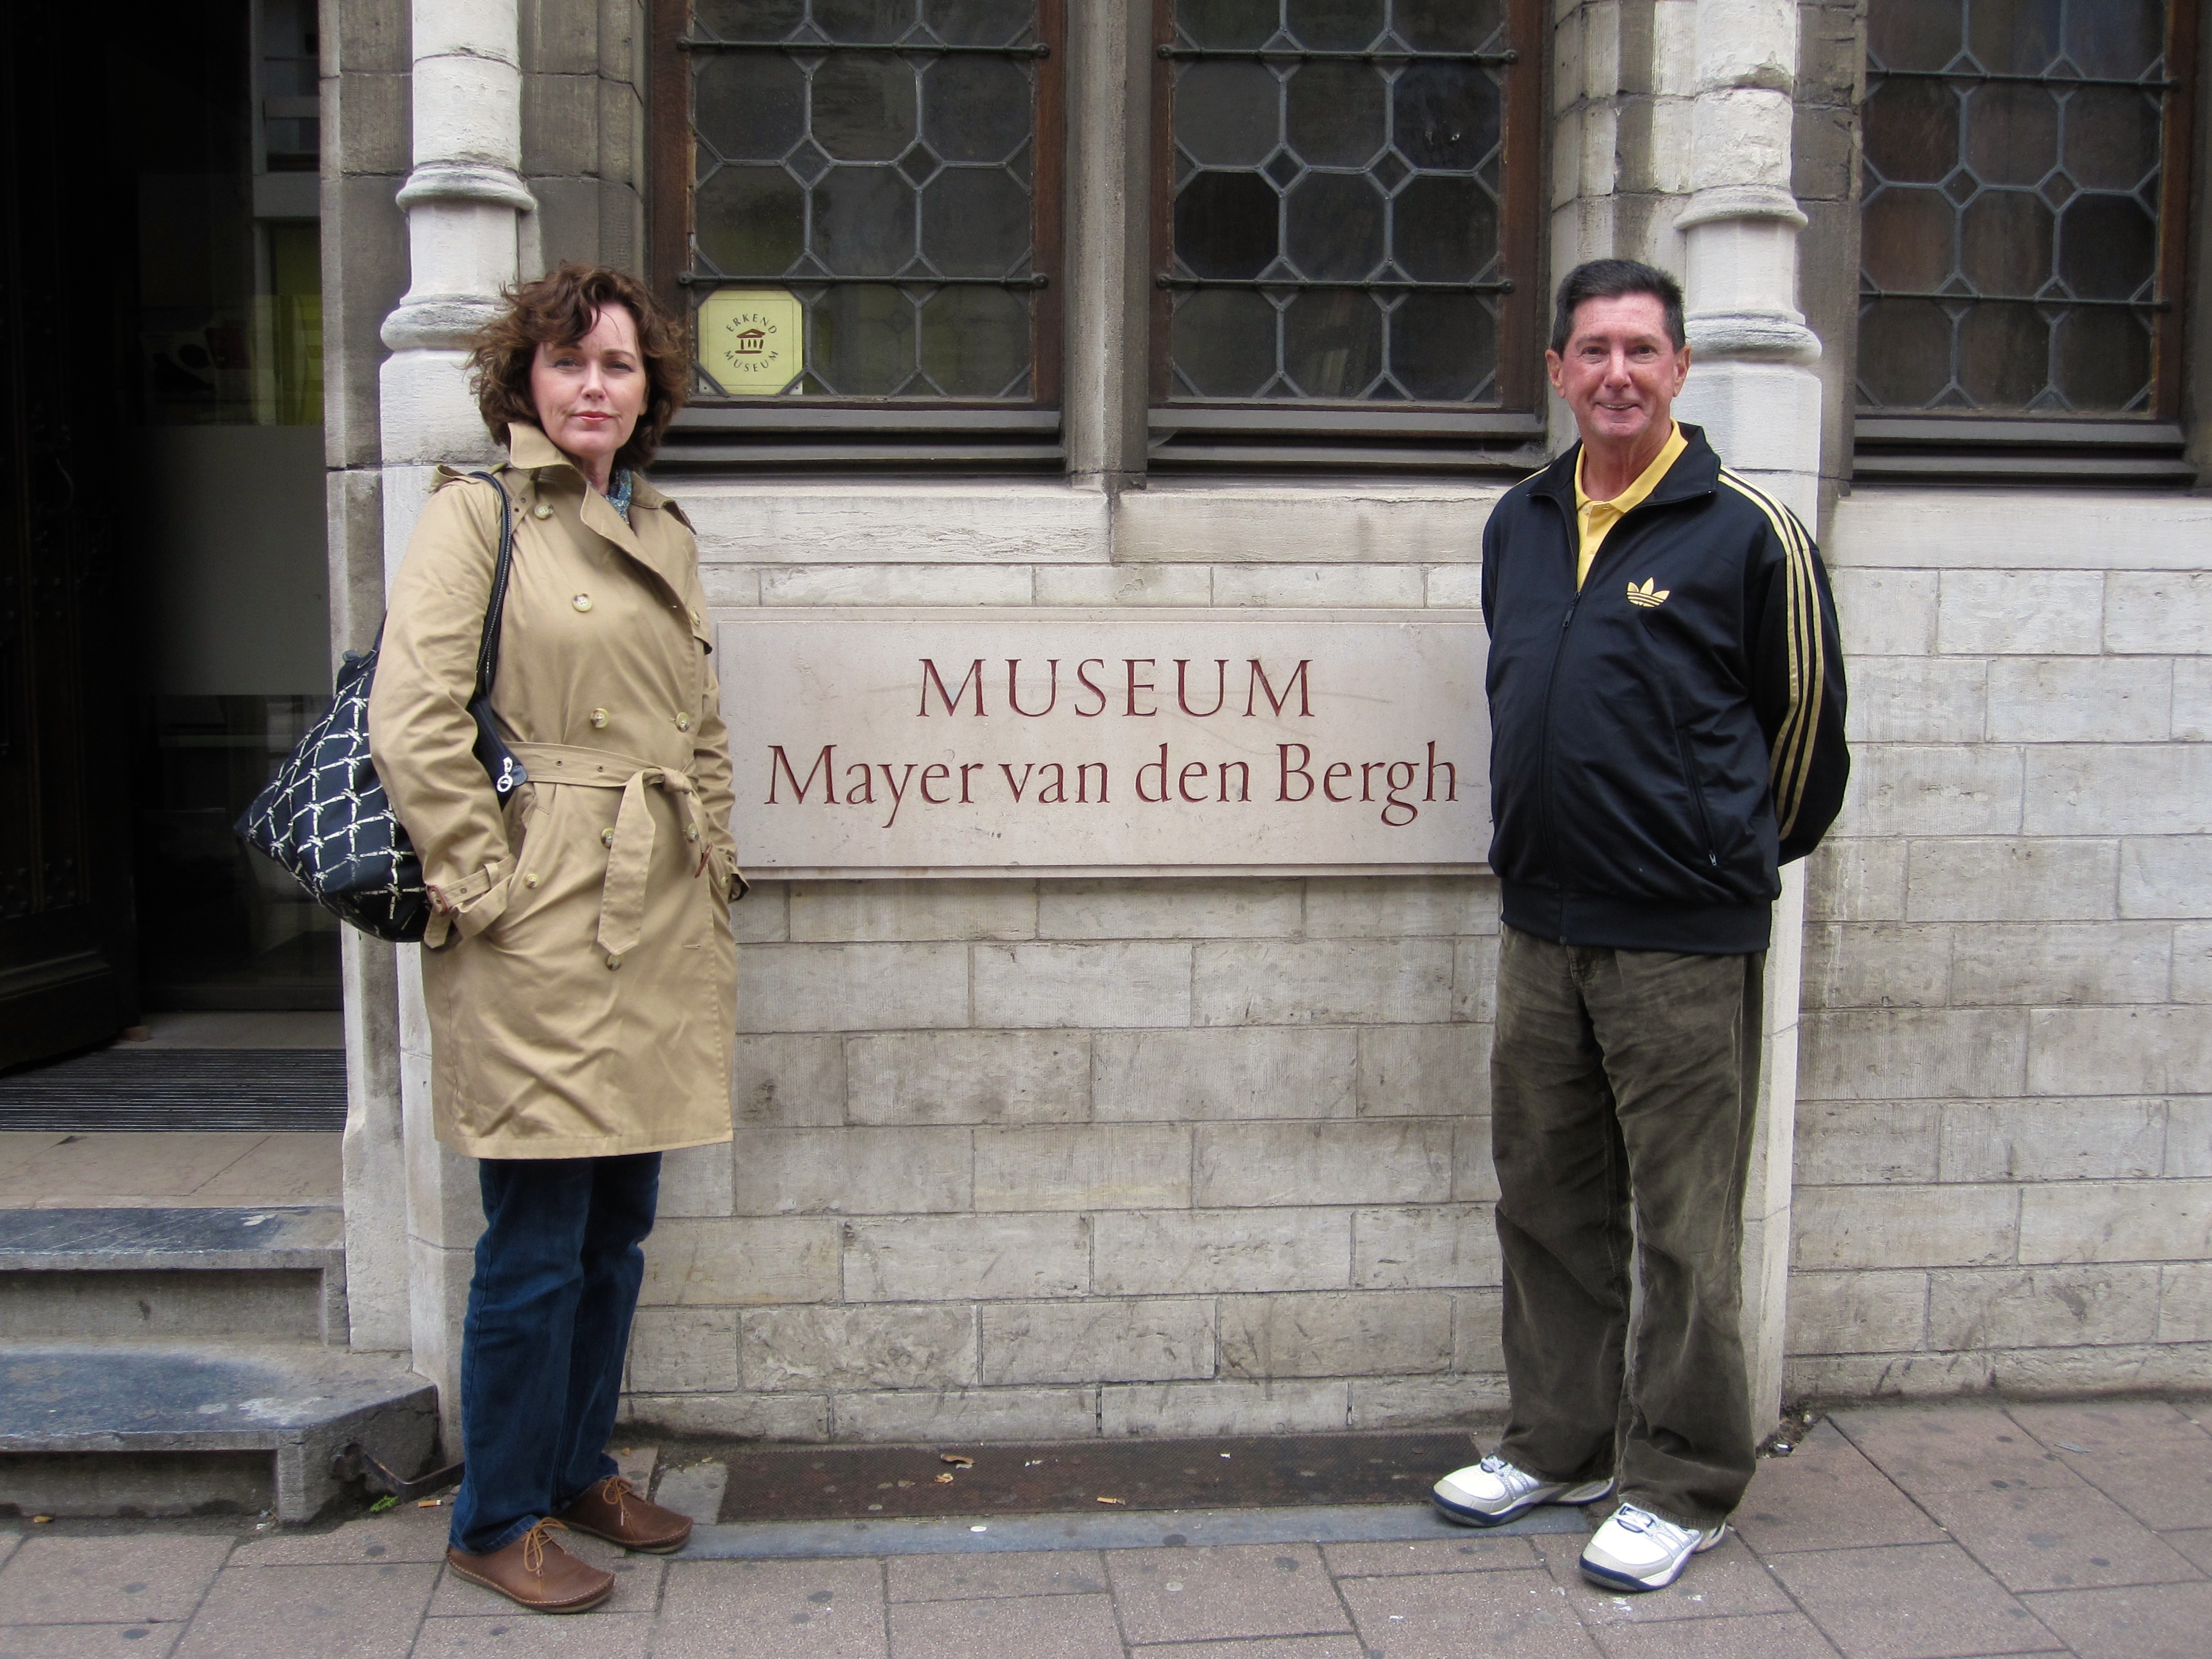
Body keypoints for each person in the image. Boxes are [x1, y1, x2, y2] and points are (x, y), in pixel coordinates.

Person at [1430, 259, 1848, 1592]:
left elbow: (1803, 733)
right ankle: (1558, 1444)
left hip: (1680, 937)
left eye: (1640, 350)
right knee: (1546, 1201)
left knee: (1682, 1224)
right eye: (1593, 350)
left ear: (1677, 370)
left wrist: (1715, 859)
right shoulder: (1519, 521)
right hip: (1541, 924)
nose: (1616, 372)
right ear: (1557, 370)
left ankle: (1680, 1483)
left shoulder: (1745, 531)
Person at [368, 263, 744, 1614]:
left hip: (655, 908)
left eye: (618, 364)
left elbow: (698, 723)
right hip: (538, 913)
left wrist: (715, 856)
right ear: (524, 380)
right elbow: (412, 716)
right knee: (534, 1240)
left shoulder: (662, 525)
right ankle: (496, 1517)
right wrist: (486, 883)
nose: (594, 386)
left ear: (649, 391)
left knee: (615, 1229)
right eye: (570, 361)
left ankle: (579, 1469)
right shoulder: (477, 515)